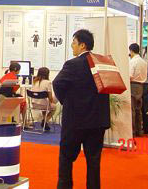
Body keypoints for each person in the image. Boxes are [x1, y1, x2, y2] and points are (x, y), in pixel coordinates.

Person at [53, 29, 109, 189]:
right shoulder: (102, 64)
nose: (72, 45)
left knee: (66, 158)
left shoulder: (72, 64)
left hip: (75, 121)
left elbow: (57, 83)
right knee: (94, 161)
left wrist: (67, 102)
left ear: (82, 45)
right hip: (97, 120)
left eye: (74, 42)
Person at [128, 43, 147, 137]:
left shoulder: (132, 61)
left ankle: (133, 131)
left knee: (132, 109)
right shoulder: (144, 62)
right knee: (138, 109)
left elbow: (130, 75)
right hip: (141, 86)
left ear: (131, 51)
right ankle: (139, 130)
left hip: (133, 85)